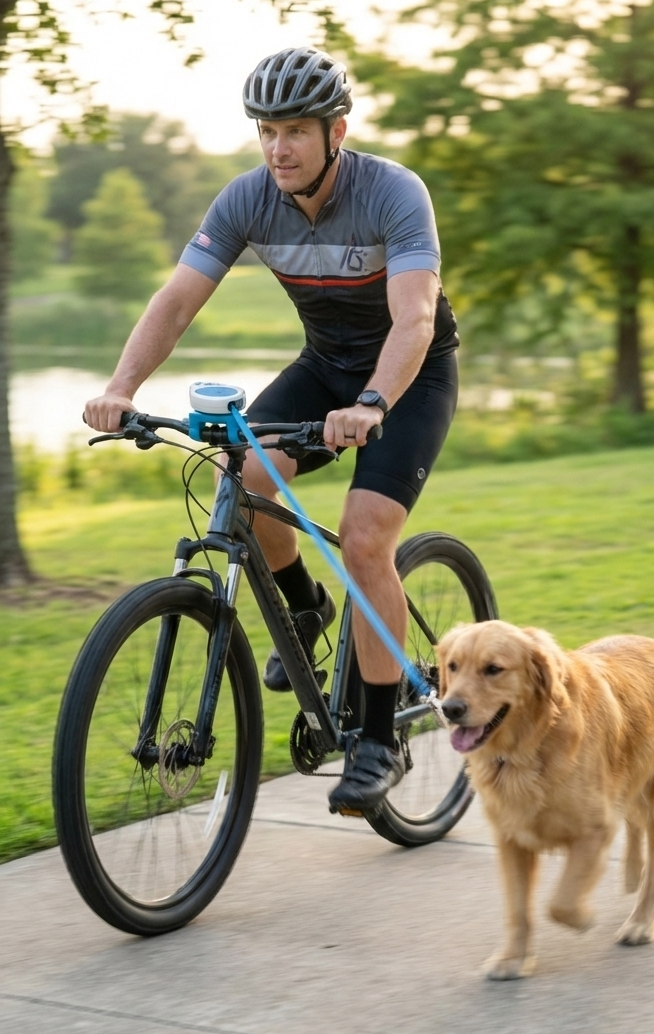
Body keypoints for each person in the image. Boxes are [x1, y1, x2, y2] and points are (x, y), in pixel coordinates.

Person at [84, 46, 460, 814]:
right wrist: (122, 388)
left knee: (365, 539)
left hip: (409, 378)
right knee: (242, 475)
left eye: (294, 131)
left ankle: (379, 740)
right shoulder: (247, 200)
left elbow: (415, 318)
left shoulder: (393, 193)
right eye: (266, 131)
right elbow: (176, 301)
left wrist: (374, 404)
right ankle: (306, 606)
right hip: (325, 367)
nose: (278, 148)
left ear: (335, 132)